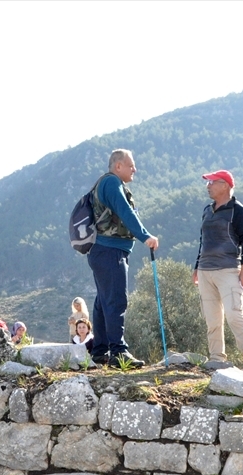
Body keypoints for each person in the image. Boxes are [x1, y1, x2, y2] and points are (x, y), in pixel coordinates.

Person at [84, 149, 158, 368]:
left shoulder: (108, 184)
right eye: (131, 165)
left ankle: (100, 352)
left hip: (103, 252)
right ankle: (118, 352)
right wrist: (146, 236)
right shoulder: (112, 184)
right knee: (116, 299)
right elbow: (126, 212)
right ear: (118, 166)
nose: (134, 169)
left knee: (103, 301)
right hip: (110, 252)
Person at [194, 170, 243, 373]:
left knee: (233, 313)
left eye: (212, 182)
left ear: (225, 185)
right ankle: (216, 358)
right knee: (212, 318)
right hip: (205, 271)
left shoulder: (237, 210)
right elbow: (203, 241)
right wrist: (196, 267)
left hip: (229, 269)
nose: (208, 186)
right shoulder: (207, 210)